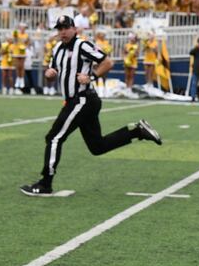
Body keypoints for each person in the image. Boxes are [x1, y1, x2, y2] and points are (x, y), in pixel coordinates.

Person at [20, 16, 162, 197]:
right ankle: (137, 131)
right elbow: (53, 70)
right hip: (78, 101)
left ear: (74, 29)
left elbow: (107, 62)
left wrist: (92, 76)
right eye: (59, 28)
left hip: (82, 99)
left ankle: (45, 183)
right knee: (97, 147)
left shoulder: (82, 45)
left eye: (65, 27)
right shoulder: (57, 48)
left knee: (54, 137)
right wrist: (50, 73)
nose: (62, 31)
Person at [94, 30, 113, 97]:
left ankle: (104, 90)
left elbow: (109, 51)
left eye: (103, 34)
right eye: (101, 34)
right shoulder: (97, 42)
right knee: (97, 75)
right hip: (98, 61)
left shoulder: (106, 42)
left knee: (104, 76)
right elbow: (96, 52)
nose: (103, 35)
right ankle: (97, 90)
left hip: (105, 61)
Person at [12, 23, 29, 94]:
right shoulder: (16, 33)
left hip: (22, 52)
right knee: (17, 66)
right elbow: (15, 38)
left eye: (24, 28)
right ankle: (18, 80)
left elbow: (27, 43)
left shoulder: (26, 35)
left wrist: (25, 45)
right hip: (16, 51)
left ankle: (21, 80)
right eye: (21, 27)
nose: (23, 29)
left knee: (22, 66)